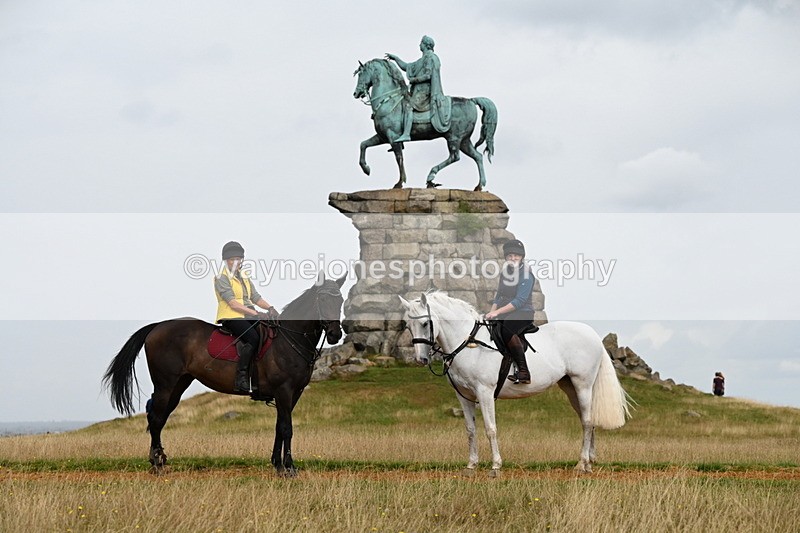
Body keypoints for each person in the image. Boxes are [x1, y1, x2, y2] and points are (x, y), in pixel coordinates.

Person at [214, 241, 278, 393]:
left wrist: (270, 308)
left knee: (270, 332)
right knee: (253, 339)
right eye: (232, 259)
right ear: (226, 260)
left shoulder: (244, 277)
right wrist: (255, 313)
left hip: (247, 315)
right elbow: (233, 304)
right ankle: (241, 378)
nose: (236, 262)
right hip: (231, 316)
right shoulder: (221, 278)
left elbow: (255, 297)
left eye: (238, 259)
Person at [485, 239, 536, 384]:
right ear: (506, 257)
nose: (513, 258)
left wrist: (497, 313)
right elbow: (499, 295)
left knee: (507, 329)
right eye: (510, 256)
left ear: (522, 257)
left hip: (523, 312)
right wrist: (491, 312)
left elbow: (519, 301)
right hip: (505, 311)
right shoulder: (505, 273)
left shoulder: (526, 275)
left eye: (516, 256)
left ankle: (524, 371)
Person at [385, 35, 451, 142]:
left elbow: (428, 75)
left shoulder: (431, 58)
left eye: (421, 43)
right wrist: (395, 58)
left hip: (426, 91)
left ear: (425, 45)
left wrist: (415, 80)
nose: (419, 44)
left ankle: (406, 134)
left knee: (408, 106)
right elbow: (406, 66)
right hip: (418, 90)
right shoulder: (422, 60)